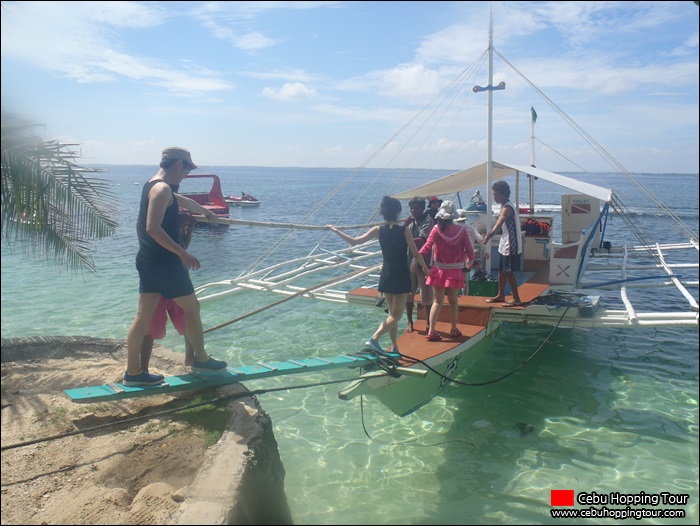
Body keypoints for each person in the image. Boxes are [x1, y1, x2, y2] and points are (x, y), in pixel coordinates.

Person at [124, 146, 227, 386]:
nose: (188, 173)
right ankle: (200, 359)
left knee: (142, 316)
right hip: (166, 263)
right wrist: (183, 253)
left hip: (148, 260)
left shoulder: (155, 184)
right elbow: (152, 227)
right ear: (179, 164)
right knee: (192, 308)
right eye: (188, 168)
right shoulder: (161, 189)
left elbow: (180, 200)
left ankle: (133, 373)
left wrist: (206, 212)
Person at [328, 196, 429, 354]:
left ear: (383, 213)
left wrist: (336, 231)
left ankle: (394, 347)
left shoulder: (378, 230)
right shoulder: (405, 230)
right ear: (398, 212)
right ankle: (374, 339)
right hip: (401, 276)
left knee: (391, 315)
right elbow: (416, 254)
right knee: (396, 316)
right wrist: (427, 270)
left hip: (386, 275)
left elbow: (354, 242)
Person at [140, 211, 198, 372]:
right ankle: (143, 369)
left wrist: (188, 230)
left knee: (189, 321)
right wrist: (177, 227)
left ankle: (190, 360)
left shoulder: (171, 226)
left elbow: (182, 248)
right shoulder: (157, 228)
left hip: (177, 280)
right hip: (161, 282)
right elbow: (169, 251)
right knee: (150, 327)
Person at [419, 200, 474, 341]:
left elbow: (427, 246)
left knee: (437, 301)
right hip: (455, 271)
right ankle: (454, 329)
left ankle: (431, 330)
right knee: (453, 301)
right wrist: (470, 260)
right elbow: (469, 249)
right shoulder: (461, 231)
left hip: (438, 270)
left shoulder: (436, 229)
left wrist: (418, 255)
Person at [482, 180, 524, 307]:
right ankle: (501, 295)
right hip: (504, 242)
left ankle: (516, 299)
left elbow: (498, 225)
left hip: (511, 244)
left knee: (508, 271)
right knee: (501, 270)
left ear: (504, 194)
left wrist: (488, 236)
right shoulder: (504, 206)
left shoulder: (507, 208)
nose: (494, 197)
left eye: (496, 194)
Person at [404, 197, 434, 333]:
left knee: (426, 295)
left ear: (422, 208)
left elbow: (422, 240)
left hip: (424, 263)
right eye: (411, 208)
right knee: (408, 294)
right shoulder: (410, 225)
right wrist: (404, 226)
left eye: (416, 208)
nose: (413, 210)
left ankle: (429, 322)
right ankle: (410, 321)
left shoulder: (428, 221)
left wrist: (404, 238)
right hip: (410, 262)